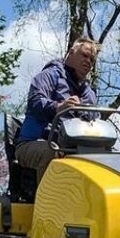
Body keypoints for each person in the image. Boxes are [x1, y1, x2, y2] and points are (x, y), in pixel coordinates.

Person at [14, 38, 100, 185]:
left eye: (92, 60)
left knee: (103, 159)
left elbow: (96, 118)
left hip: (73, 146)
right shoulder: (50, 75)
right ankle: (47, 207)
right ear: (71, 53)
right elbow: (35, 102)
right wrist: (58, 107)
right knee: (52, 153)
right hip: (34, 143)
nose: (88, 62)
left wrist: (83, 112)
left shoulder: (88, 92)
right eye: (84, 56)